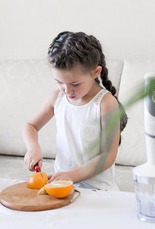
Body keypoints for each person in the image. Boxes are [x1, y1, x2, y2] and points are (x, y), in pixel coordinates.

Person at [23, 31, 128, 190]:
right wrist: (33, 148)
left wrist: (72, 176)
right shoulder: (57, 98)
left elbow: (108, 156)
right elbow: (31, 125)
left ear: (95, 72)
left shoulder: (105, 104)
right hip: (62, 186)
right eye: (59, 82)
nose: (66, 90)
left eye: (75, 84)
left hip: (98, 190)